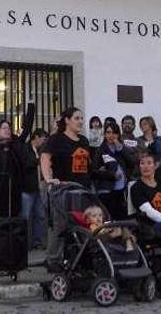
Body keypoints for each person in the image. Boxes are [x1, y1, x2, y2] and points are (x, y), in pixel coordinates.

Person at [41, 107, 93, 265]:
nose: (81, 122)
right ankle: (53, 261)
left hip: (82, 189)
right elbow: (45, 158)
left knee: (83, 223)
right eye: (77, 118)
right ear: (67, 120)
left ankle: (79, 260)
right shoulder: (56, 139)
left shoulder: (84, 141)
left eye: (82, 118)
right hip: (63, 189)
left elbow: (87, 165)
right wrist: (49, 179)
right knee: (60, 225)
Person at [94, 122, 128, 220]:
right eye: (108, 132)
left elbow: (132, 162)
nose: (111, 135)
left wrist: (120, 148)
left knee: (121, 219)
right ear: (104, 134)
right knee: (109, 220)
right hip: (106, 190)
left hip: (121, 190)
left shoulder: (120, 148)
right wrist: (112, 175)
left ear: (118, 134)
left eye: (114, 133)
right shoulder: (101, 150)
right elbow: (95, 171)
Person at [23, 129, 48, 249]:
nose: (44, 142)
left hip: (38, 188)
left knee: (40, 216)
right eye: (43, 139)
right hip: (27, 188)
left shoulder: (39, 150)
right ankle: (25, 242)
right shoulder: (26, 149)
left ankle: (37, 241)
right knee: (26, 216)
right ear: (36, 137)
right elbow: (26, 164)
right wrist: (39, 160)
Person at [137, 116, 161, 185]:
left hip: (160, 174)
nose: (142, 126)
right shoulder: (138, 140)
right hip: (146, 174)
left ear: (151, 125)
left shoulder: (160, 139)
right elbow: (137, 156)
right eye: (141, 124)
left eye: (145, 124)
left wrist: (159, 163)